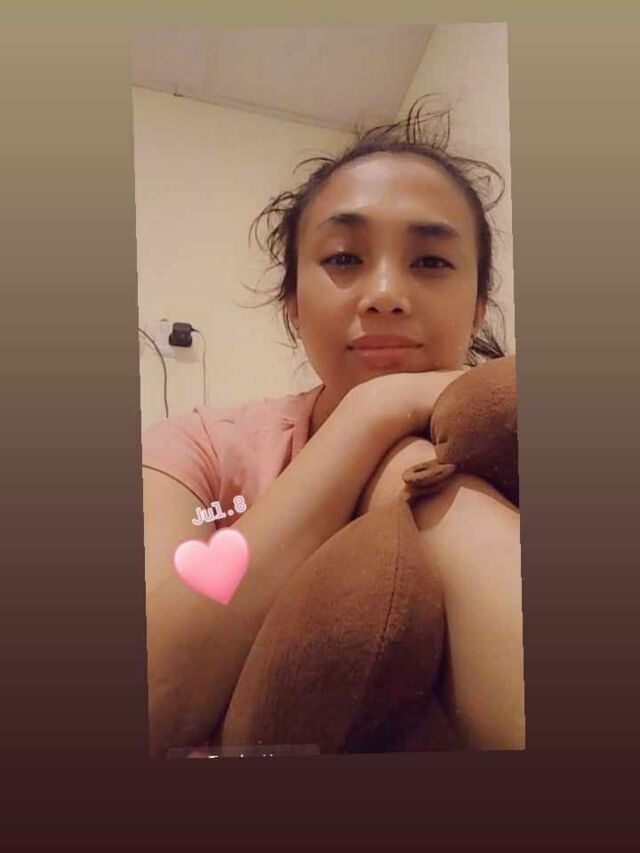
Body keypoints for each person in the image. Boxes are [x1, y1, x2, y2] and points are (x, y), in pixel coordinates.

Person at [142, 96, 525, 758]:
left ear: (478, 306)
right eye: (345, 259)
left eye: (431, 262)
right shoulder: (198, 448)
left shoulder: (509, 433)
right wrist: (371, 415)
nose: (385, 294)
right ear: (292, 303)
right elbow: (150, 700)